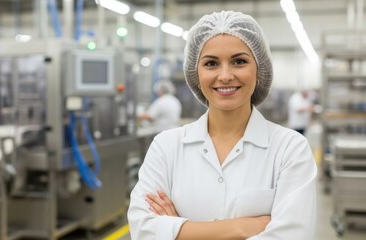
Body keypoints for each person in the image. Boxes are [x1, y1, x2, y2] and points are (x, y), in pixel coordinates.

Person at [128, 11, 317, 240]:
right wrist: (240, 228)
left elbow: (294, 235)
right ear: (195, 74)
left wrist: (179, 231)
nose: (225, 75)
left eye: (239, 61)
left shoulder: (290, 149)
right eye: (211, 63)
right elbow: (143, 229)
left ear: (259, 70)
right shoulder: (166, 146)